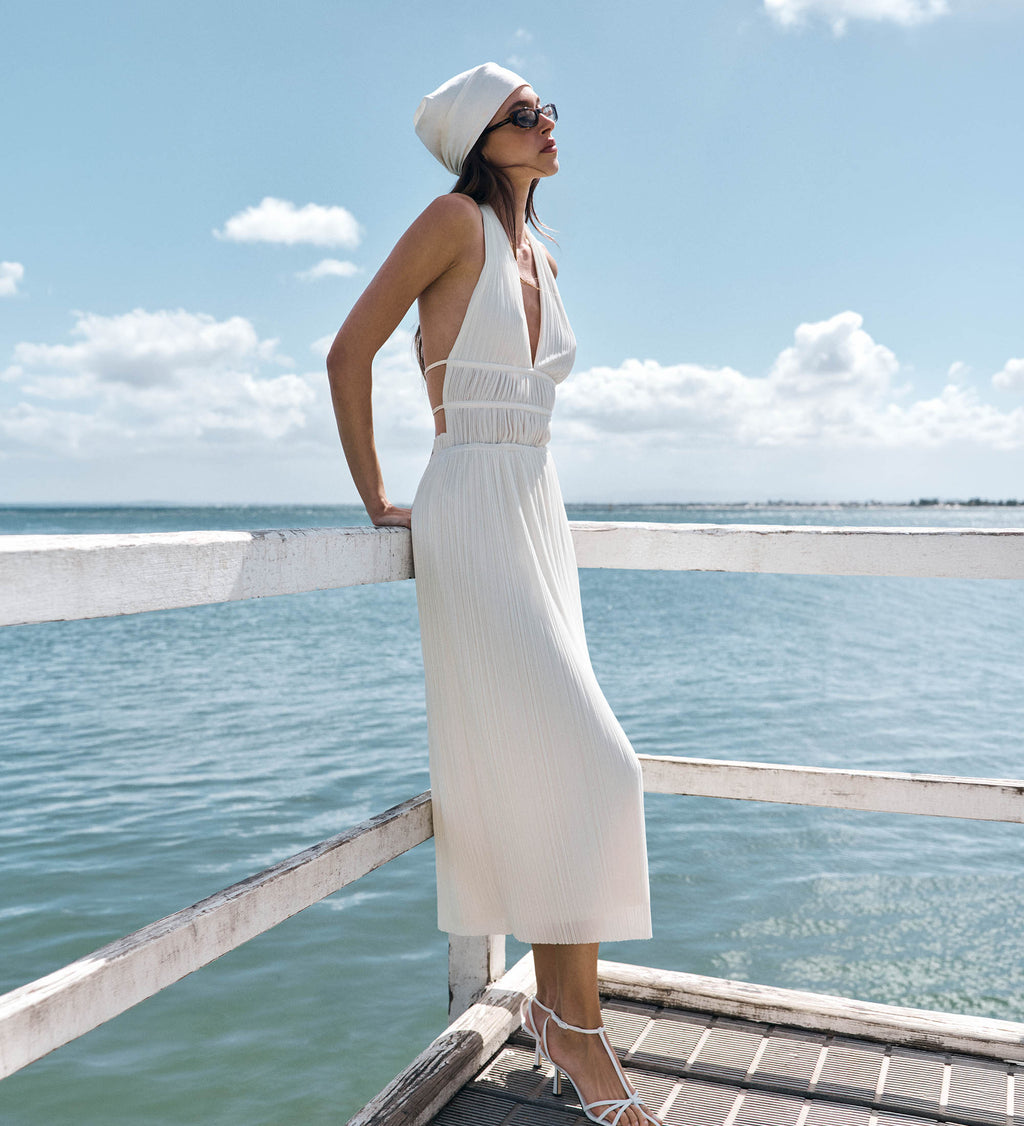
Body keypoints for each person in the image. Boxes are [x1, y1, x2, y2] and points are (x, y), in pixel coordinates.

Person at [326, 62, 660, 1126]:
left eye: (548, 106)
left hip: (537, 505)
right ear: (483, 138)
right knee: (597, 761)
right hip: (470, 501)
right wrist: (379, 495)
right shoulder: (452, 220)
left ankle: (567, 1017)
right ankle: (576, 1030)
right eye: (523, 115)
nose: (546, 123)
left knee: (569, 767)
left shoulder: (540, 251)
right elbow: (347, 352)